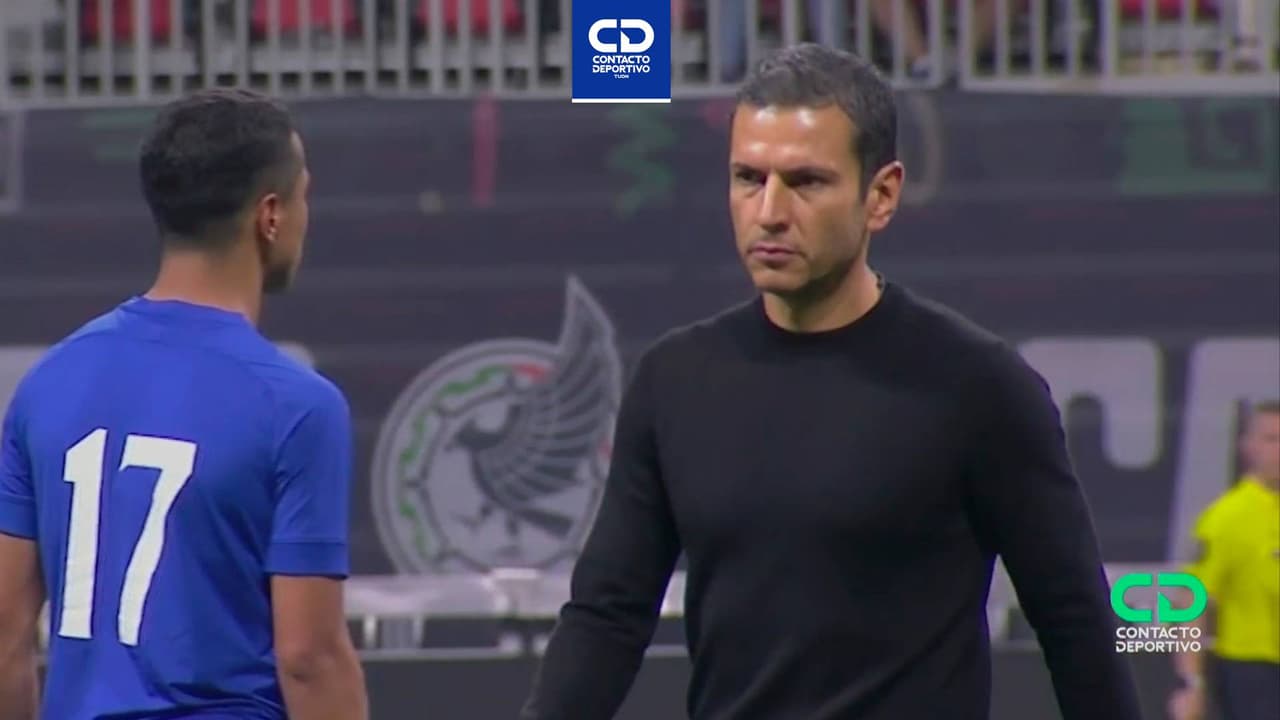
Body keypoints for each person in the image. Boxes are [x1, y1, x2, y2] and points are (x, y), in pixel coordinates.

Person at [520, 43, 1142, 720]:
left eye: (806, 182)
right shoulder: (674, 382)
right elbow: (607, 615)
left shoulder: (977, 388)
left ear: (882, 195)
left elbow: (1074, 619)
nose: (769, 211)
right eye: (748, 178)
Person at [0, 88, 368, 720]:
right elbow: (309, 658)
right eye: (303, 195)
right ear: (271, 215)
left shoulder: (47, 383)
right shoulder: (298, 406)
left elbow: (6, 638)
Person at [1169, 400, 1280, 720]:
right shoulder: (1225, 519)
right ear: (1248, 447)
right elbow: (1191, 602)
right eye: (1271, 439)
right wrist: (1191, 682)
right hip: (1252, 674)